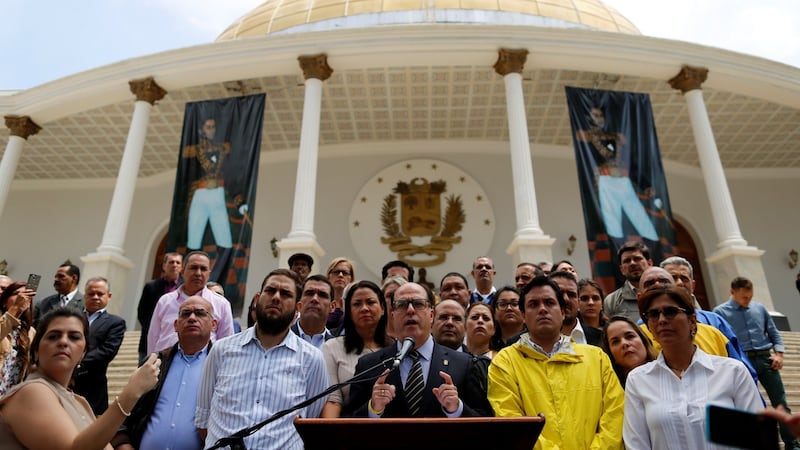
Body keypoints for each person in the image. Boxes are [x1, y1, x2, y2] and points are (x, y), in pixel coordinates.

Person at [195, 269, 328, 450]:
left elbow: (309, 421)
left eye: (285, 294)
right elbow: (203, 421)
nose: (276, 297)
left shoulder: (312, 359)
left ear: (298, 308)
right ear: (258, 298)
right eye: (270, 290)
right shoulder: (222, 350)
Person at [488, 276, 624, 449]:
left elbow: (615, 417)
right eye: (533, 304)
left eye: (549, 302)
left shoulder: (596, 358)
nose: (542, 309)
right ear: (523, 315)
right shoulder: (505, 362)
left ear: (563, 311)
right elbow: (512, 422)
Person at [0, 308, 161, 450]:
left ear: (83, 352)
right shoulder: (33, 391)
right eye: (53, 336)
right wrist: (131, 394)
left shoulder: (79, 401)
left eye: (74, 337)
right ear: (35, 350)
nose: (63, 341)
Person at [624, 286, 763, 449]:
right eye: (653, 315)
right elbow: (636, 444)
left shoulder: (732, 372)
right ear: (649, 328)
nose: (661, 320)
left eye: (670, 311)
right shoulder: (638, 380)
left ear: (692, 321)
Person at [343, 282, 492, 418]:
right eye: (402, 305)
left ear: (432, 315)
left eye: (418, 304)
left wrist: (457, 409)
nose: (410, 310)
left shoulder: (463, 364)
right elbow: (347, 423)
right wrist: (373, 409)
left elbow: (486, 422)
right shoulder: (369, 365)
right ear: (392, 316)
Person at [111, 296, 216, 450]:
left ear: (214, 324)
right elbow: (125, 408)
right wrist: (123, 444)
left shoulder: (221, 367)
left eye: (200, 313)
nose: (192, 318)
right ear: (175, 325)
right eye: (185, 313)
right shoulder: (154, 363)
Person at [714, 276, 800, 449]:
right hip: (742, 362)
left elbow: (774, 333)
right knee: (749, 407)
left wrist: (779, 355)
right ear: (732, 292)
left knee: (781, 403)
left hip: (766, 360)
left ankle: (792, 445)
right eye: (744, 297)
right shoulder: (720, 313)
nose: (748, 300)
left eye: (750, 296)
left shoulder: (759, 308)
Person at [575, 105, 658, 242]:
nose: (598, 119)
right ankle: (617, 250)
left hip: (623, 180)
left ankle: (653, 245)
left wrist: (645, 185)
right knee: (612, 221)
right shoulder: (587, 137)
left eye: (600, 116)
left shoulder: (617, 138)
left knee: (639, 215)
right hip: (606, 181)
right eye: (595, 116)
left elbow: (631, 163)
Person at [321, 280, 391, 418]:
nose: (364, 308)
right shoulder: (332, 347)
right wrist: (331, 436)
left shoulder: (398, 348)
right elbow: (333, 401)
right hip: (349, 428)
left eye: (370, 302)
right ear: (349, 311)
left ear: (382, 308)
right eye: (357, 304)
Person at [147, 251, 234, 354]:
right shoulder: (165, 301)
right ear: (183, 271)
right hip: (165, 364)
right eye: (193, 268)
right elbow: (153, 336)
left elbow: (226, 342)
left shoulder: (221, 304)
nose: (198, 273)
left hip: (206, 366)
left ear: (209, 274)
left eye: (203, 269)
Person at [72, 277, 127, 415]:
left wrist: (77, 363)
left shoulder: (115, 323)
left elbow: (107, 351)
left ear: (109, 296)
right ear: (85, 296)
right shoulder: (72, 317)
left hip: (92, 387)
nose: (95, 297)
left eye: (100, 294)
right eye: (91, 294)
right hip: (64, 383)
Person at [136, 252, 182, 364]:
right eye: (171, 262)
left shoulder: (185, 288)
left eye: (178, 262)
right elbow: (142, 312)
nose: (174, 265)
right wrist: (153, 329)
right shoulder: (151, 286)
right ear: (164, 266)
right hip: (150, 342)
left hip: (177, 342)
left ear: (181, 267)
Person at [0, 282, 36, 396]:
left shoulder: (30, 332)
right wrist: (15, 308)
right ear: (4, 301)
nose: (22, 298)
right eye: (16, 294)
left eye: (26, 294)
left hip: (9, 395)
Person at [600, 315, 656, 387]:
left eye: (630, 336)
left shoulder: (670, 372)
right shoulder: (608, 391)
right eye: (616, 341)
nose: (624, 343)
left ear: (644, 341)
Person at [604, 241, 653, 321]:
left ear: (650, 263)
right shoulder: (612, 301)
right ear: (622, 269)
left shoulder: (664, 293)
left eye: (637, 259)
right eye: (627, 261)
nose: (632, 263)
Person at [549, 270, 600, 346]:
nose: (566, 299)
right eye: (559, 293)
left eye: (571, 294)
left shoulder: (600, 338)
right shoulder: (529, 341)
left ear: (578, 302)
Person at [290, 274, 336, 347]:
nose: (315, 299)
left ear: (332, 306)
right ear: (298, 303)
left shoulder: (337, 349)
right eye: (309, 293)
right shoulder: (279, 339)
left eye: (322, 295)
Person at [33, 263, 84, 327]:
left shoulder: (86, 304)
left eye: (61, 276)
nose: (56, 279)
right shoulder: (43, 303)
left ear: (74, 278)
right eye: (56, 277)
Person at [325, 257, 354, 332]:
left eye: (345, 273)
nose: (340, 275)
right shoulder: (321, 301)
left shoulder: (355, 304)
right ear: (328, 276)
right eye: (336, 272)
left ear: (351, 278)